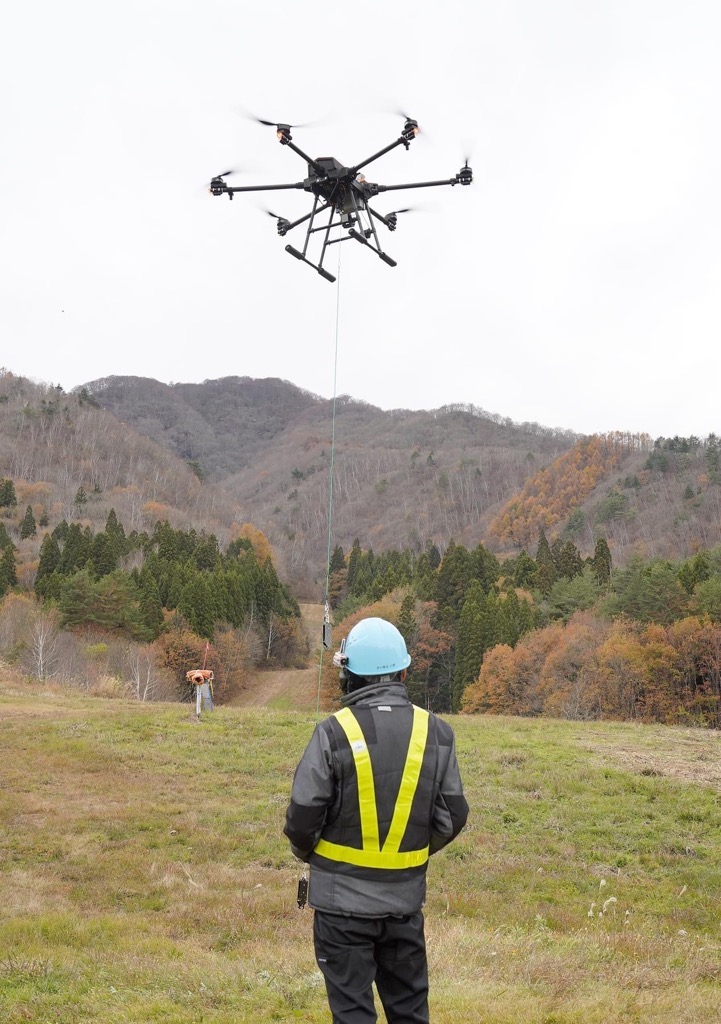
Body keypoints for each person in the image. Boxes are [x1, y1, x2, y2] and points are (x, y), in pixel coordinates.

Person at [284, 616, 469, 1023]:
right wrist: (408, 852)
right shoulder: (435, 732)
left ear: (349, 675)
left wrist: (312, 855)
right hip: (404, 906)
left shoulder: (332, 732)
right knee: (409, 1012)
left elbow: (302, 816)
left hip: (339, 909)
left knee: (352, 1014)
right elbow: (452, 816)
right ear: (403, 671)